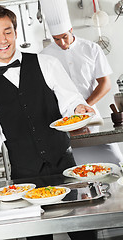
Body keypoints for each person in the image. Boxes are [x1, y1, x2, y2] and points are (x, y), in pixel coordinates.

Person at [0, 4, 96, 240]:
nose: (3, 40)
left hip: (65, 168)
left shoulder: (47, 64)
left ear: (16, 33)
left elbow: (70, 102)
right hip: (24, 179)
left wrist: (78, 108)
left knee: (84, 232)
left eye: (7, 31)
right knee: (37, 237)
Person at [40, 0, 123, 165]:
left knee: (114, 161)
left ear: (71, 30)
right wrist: (70, 113)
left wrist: (83, 106)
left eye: (64, 37)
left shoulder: (91, 48)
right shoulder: (44, 57)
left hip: (91, 118)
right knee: (75, 168)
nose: (62, 43)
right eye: (56, 39)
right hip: (64, 123)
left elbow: (105, 83)